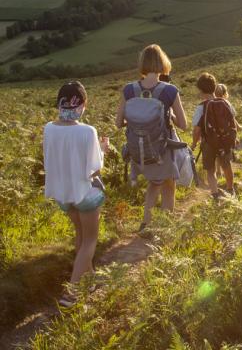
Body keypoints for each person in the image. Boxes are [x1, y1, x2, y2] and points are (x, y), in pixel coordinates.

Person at [43, 80, 109, 306]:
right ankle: (71, 293)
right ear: (83, 104)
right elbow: (96, 168)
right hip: (86, 194)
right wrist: (104, 150)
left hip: (64, 194)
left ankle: (88, 282)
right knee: (90, 240)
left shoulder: (48, 128)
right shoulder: (87, 131)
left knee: (80, 236)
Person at [116, 44, 187, 229]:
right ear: (163, 62)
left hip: (139, 149)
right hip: (162, 149)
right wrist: (168, 116)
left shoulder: (129, 90)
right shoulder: (169, 91)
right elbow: (183, 125)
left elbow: (118, 123)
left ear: (142, 63)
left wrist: (138, 122)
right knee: (169, 186)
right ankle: (164, 227)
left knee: (153, 184)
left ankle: (146, 223)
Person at [191, 73, 236, 197]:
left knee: (210, 170)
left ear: (200, 90)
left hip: (208, 143)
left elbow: (197, 130)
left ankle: (215, 194)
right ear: (214, 86)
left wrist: (194, 144)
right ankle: (231, 190)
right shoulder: (225, 103)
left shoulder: (201, 107)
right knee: (226, 166)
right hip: (225, 141)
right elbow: (233, 121)